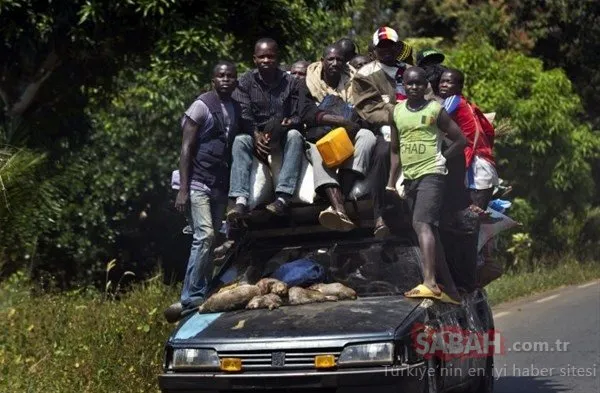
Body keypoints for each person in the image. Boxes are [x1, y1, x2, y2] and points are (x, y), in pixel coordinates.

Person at [164, 61, 241, 323]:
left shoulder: (234, 107)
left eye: (231, 76)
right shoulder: (201, 106)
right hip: (196, 182)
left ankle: (204, 291)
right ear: (213, 79)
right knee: (205, 234)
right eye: (221, 76)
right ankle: (190, 296)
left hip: (219, 182)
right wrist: (183, 189)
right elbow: (186, 148)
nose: (226, 80)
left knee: (215, 238)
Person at [387, 67, 466, 304]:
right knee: (428, 230)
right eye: (409, 84)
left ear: (425, 86)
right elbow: (394, 150)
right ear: (403, 86)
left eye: (419, 84)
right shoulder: (397, 111)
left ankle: (430, 283)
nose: (414, 88)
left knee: (421, 224)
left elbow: (461, 140)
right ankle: (450, 291)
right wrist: (391, 182)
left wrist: (443, 156)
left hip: (432, 173)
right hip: (410, 177)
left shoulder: (435, 109)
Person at [299, 44, 376, 231]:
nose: (335, 63)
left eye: (339, 60)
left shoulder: (356, 82)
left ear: (344, 62)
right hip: (319, 136)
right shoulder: (307, 83)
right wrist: (340, 120)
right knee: (319, 150)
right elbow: (307, 113)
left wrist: (351, 125)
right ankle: (340, 208)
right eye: (330, 59)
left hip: (349, 134)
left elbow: (365, 112)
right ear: (321, 61)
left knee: (367, 137)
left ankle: (336, 206)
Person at [227, 38, 304, 219]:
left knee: (295, 135)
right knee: (240, 140)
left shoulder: (291, 82)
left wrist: (289, 123)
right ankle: (239, 201)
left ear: (277, 58)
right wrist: (255, 135)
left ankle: (283, 198)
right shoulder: (244, 82)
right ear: (255, 59)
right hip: (255, 135)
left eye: (270, 56)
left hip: (282, 135)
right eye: (262, 57)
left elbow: (299, 114)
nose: (266, 60)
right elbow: (244, 114)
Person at [352, 26, 411, 237]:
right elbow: (369, 109)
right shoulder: (364, 75)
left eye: (390, 46)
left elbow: (427, 98)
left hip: (415, 128)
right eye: (381, 46)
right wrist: (401, 113)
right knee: (383, 153)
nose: (386, 50)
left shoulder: (410, 71)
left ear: (398, 48)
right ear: (374, 50)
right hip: (383, 129)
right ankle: (379, 215)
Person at [439, 68, 498, 209]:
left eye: (449, 82)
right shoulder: (466, 103)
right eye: (442, 81)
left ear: (459, 87)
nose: (444, 85)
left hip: (476, 169)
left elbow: (435, 119)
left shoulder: (453, 100)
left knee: (471, 220)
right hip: (483, 165)